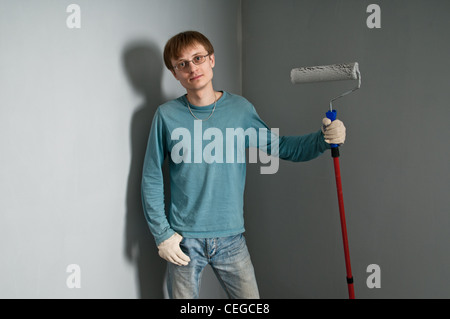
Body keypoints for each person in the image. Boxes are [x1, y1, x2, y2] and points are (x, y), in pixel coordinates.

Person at [141, 31, 346, 299]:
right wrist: (162, 235)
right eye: (182, 64)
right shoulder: (166, 116)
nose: (192, 68)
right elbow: (152, 177)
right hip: (183, 240)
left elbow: (282, 147)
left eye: (198, 58)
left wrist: (323, 139)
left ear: (211, 60)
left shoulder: (240, 110)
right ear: (174, 73)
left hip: (231, 238)